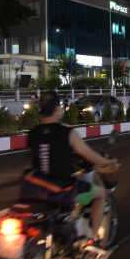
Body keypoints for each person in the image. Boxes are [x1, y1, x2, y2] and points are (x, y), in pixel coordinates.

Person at [27, 91, 116, 246]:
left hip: (39, 191)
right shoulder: (67, 133)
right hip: (64, 191)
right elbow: (90, 156)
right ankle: (93, 237)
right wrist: (108, 162)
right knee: (101, 194)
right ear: (57, 109)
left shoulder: (32, 134)